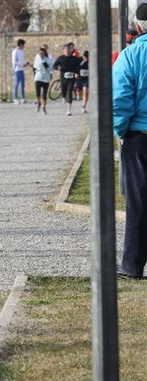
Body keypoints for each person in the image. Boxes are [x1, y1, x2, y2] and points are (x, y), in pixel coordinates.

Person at [112, 3, 147, 279]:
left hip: (139, 137)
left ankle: (132, 265)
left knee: (138, 202)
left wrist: (120, 132)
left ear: (138, 27)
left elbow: (120, 100)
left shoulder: (130, 55)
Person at [53, 44, 80, 116]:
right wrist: (58, 67)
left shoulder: (74, 58)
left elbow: (78, 67)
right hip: (63, 78)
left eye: (68, 50)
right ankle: (63, 97)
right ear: (63, 51)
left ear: (70, 50)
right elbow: (54, 66)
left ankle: (68, 110)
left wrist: (77, 73)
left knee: (70, 91)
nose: (67, 51)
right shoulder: (60, 58)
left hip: (71, 78)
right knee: (64, 91)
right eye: (65, 50)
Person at [33, 47, 52, 115]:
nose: (40, 54)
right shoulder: (37, 58)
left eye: (42, 53)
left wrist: (44, 63)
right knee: (38, 93)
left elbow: (50, 69)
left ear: (44, 53)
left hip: (46, 78)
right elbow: (35, 67)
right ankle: (39, 103)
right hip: (38, 77)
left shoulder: (48, 59)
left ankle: (44, 108)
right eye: (39, 53)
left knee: (44, 94)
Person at [11, 38, 29, 104]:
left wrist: (26, 63)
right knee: (16, 84)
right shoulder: (15, 51)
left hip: (22, 70)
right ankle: (15, 98)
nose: (24, 46)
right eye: (23, 45)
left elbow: (22, 60)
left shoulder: (21, 51)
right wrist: (22, 65)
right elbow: (14, 62)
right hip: (17, 70)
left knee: (22, 85)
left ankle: (23, 98)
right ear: (20, 45)